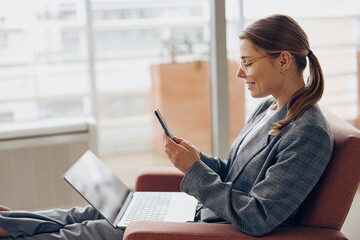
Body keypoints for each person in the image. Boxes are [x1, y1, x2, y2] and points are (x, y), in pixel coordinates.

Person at [0, 14, 333, 239]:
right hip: (202, 211)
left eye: (247, 63)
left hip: (210, 226)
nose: (239, 73)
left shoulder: (308, 132)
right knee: (88, 211)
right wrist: (195, 158)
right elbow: (235, 172)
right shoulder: (269, 107)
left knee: (93, 231)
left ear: (284, 61)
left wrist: (195, 172)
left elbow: (258, 216)